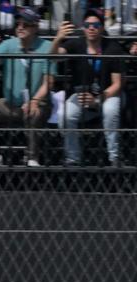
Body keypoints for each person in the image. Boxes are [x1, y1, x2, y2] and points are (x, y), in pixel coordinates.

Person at [0, 7, 53, 167]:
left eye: (26, 24)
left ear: (35, 27)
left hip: (38, 103)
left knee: (33, 112)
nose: (20, 27)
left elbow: (48, 82)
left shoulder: (47, 47)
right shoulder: (8, 44)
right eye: (18, 24)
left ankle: (32, 157)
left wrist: (35, 101)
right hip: (11, 104)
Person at [52, 11, 124, 167]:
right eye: (87, 25)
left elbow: (117, 84)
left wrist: (98, 99)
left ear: (102, 28)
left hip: (108, 95)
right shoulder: (76, 44)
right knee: (65, 116)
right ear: (83, 28)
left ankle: (114, 158)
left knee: (110, 110)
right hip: (82, 96)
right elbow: (54, 57)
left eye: (96, 25)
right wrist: (58, 39)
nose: (91, 28)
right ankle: (73, 158)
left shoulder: (112, 47)